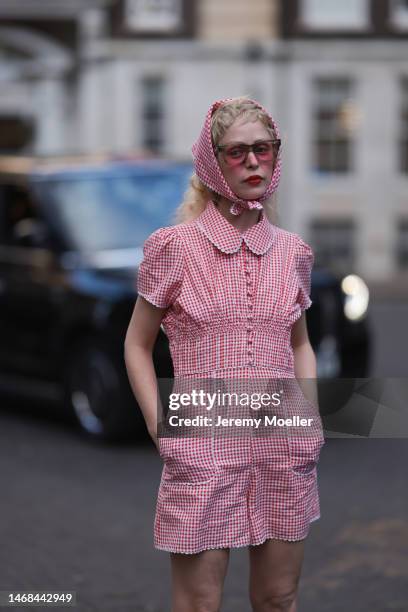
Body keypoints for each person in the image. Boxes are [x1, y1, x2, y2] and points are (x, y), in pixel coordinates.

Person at [124, 96, 325, 612]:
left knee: (279, 598)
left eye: (264, 149)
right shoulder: (174, 248)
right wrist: (158, 424)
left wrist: (311, 415)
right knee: (199, 604)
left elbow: (299, 342)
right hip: (204, 445)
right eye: (237, 153)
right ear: (213, 163)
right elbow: (137, 344)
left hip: (282, 448)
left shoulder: (293, 252)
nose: (254, 162)